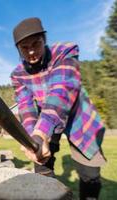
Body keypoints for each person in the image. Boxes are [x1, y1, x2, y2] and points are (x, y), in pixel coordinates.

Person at [11, 17, 106, 200]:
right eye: (24, 47)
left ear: (44, 40)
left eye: (36, 43)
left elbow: (60, 91)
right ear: (18, 49)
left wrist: (41, 132)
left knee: (90, 175)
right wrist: (33, 138)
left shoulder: (65, 52)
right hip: (45, 122)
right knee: (42, 168)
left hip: (79, 119)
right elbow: (26, 107)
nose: (31, 51)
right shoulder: (17, 75)